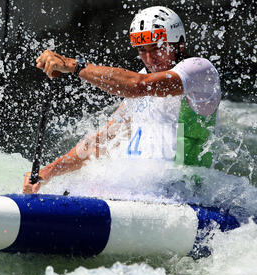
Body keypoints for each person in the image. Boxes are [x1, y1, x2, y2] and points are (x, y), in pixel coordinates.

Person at [23, 6, 221, 194]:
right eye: (142, 50)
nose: (150, 59)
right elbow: (99, 142)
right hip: (140, 191)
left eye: (157, 48)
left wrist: (72, 65)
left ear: (179, 45)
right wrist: (48, 171)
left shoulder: (199, 71)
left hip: (185, 195)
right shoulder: (143, 79)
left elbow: (138, 85)